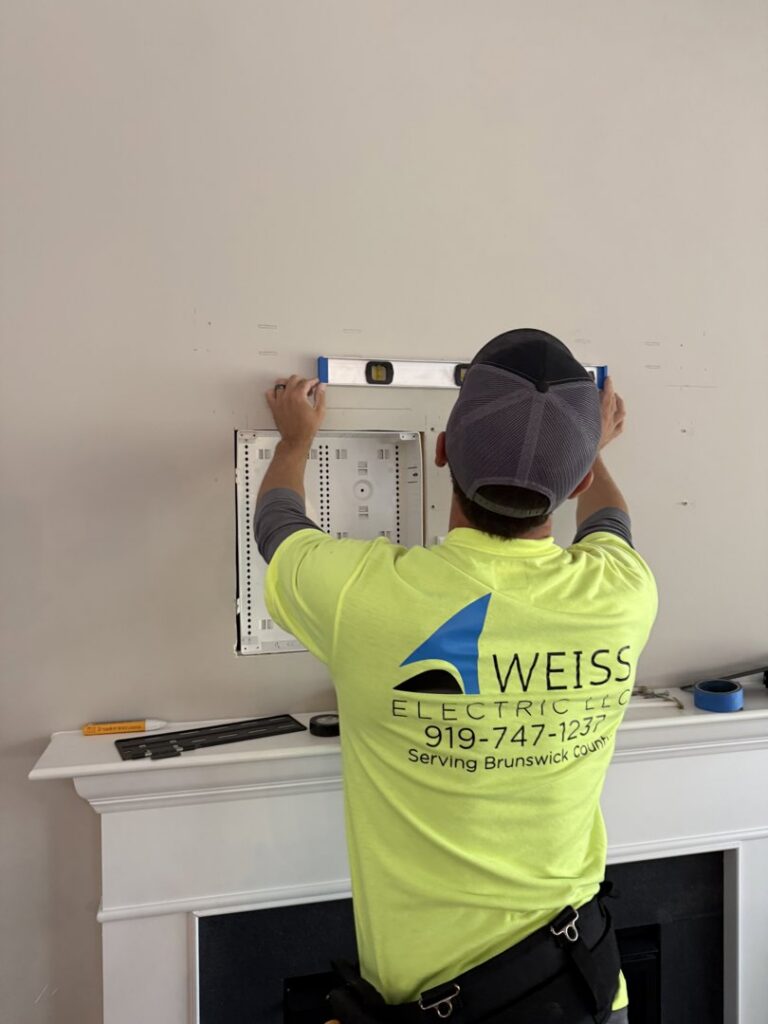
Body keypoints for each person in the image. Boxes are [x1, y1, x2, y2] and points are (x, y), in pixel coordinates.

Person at [254, 329, 657, 1024]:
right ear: (582, 477)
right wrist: (588, 446)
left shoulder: (365, 599)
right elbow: (610, 522)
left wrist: (293, 441)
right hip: (588, 993)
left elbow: (278, 528)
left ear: (441, 450)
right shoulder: (623, 594)